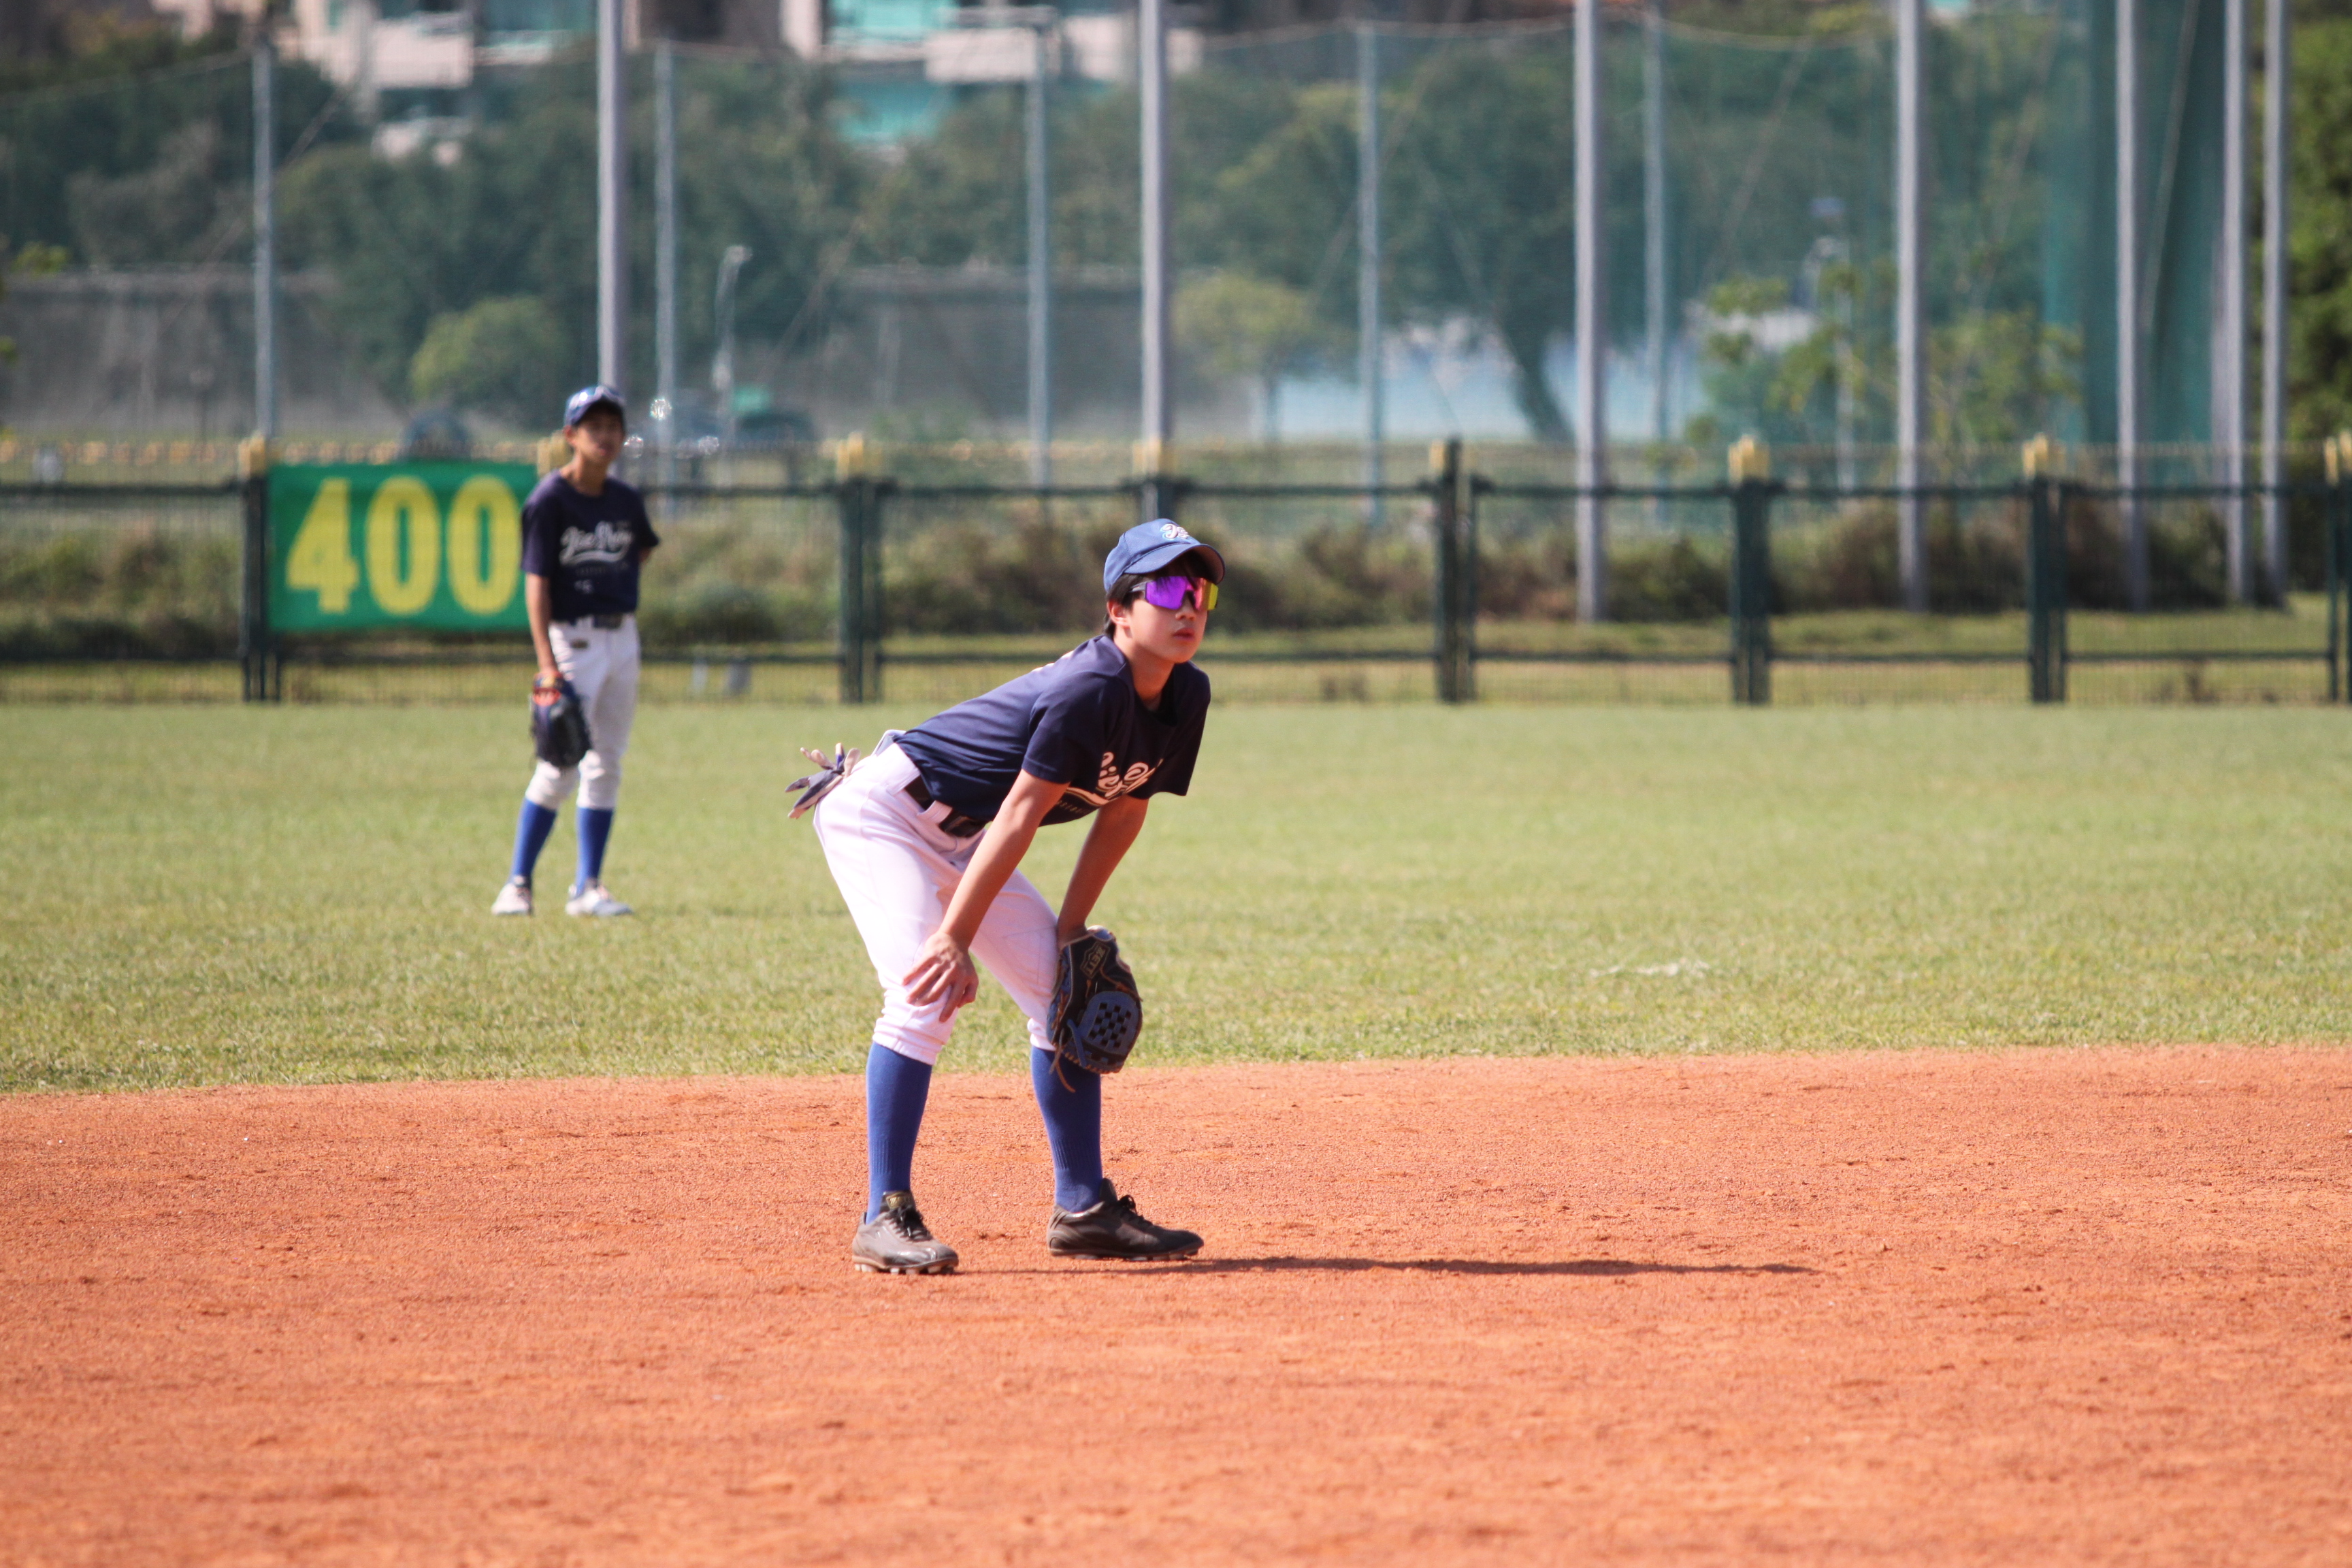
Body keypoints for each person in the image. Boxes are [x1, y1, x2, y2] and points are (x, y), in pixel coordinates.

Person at [806, 519, 1224, 1274]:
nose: (1187, 605)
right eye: (1165, 588)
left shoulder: (1186, 694)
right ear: (1119, 609)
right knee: (925, 993)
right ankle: (882, 1215)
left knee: (1068, 996)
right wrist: (954, 937)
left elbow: (1125, 812)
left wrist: (1070, 930)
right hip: (889, 814)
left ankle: (1084, 1208)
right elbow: (1021, 815)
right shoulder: (1089, 688)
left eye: (1200, 590)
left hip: (968, 834)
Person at [491, 385, 661, 918]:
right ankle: (517, 884)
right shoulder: (550, 500)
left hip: (622, 638)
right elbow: (536, 584)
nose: (605, 436)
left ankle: (588, 887)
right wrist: (547, 664)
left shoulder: (625, 500)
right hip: (573, 640)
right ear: (571, 435)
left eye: (613, 426)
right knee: (560, 763)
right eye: (594, 427)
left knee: (606, 763)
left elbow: (642, 549)